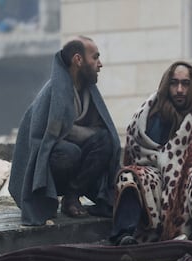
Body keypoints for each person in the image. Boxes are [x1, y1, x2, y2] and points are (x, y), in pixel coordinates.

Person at [110, 61, 192, 246]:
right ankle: (124, 236)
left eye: (185, 84)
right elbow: (138, 154)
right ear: (166, 84)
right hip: (157, 183)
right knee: (129, 176)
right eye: (174, 83)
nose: (179, 89)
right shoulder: (150, 116)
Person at [8, 36, 121, 225]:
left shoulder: (88, 91)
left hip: (75, 169)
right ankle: (50, 199)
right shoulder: (52, 92)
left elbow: (99, 133)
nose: (99, 64)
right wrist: (84, 135)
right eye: (95, 58)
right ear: (78, 60)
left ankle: (72, 196)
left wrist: (88, 136)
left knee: (106, 140)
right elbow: (41, 142)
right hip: (50, 168)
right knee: (69, 152)